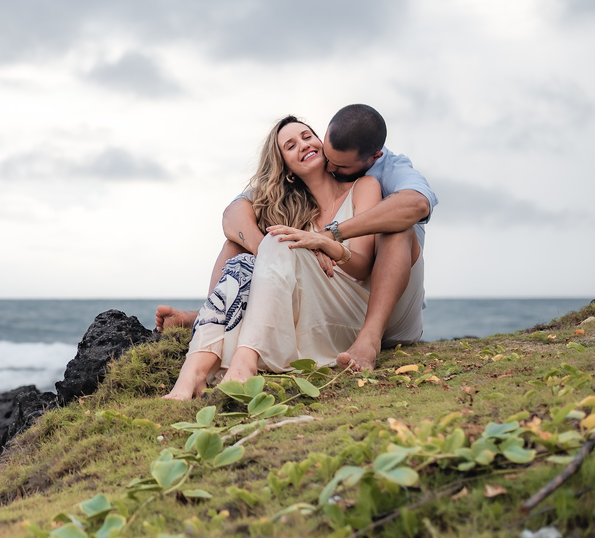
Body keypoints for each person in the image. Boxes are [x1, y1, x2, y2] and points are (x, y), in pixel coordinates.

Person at [158, 104, 436, 388]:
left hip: (385, 302)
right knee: (240, 245)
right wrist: (267, 253)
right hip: (328, 307)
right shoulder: (292, 208)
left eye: (306, 136)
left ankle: (369, 340)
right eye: (291, 145)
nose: (327, 162)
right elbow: (232, 215)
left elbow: (407, 214)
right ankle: (211, 320)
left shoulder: (374, 178)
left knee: (398, 225)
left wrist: (329, 238)